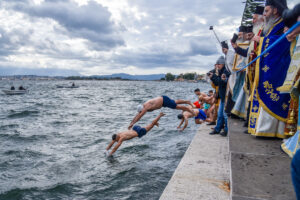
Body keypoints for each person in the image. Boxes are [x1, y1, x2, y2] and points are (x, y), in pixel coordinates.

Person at [248, 0, 292, 138]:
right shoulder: (273, 25)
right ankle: (263, 128)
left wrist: (260, 41)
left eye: (266, 11)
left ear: (275, 10)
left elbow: (281, 43)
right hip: (271, 64)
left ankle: (270, 130)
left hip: (279, 66)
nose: (264, 15)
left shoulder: (284, 23)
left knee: (272, 93)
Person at [128, 96, 195, 129]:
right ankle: (187, 101)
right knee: (175, 101)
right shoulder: (143, 106)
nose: (141, 112)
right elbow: (138, 115)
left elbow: (140, 116)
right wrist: (132, 123)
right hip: (163, 101)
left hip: (164, 101)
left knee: (178, 107)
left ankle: (190, 110)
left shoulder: (146, 107)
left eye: (141, 111)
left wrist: (133, 123)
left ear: (142, 109)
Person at [208, 56, 231, 136]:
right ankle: (217, 129)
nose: (217, 65)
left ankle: (226, 130)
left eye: (219, 64)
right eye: (217, 64)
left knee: (224, 115)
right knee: (220, 114)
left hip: (226, 97)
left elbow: (221, 82)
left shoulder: (225, 72)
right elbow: (218, 83)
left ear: (223, 64)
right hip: (222, 97)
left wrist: (213, 77)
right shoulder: (221, 71)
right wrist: (213, 77)